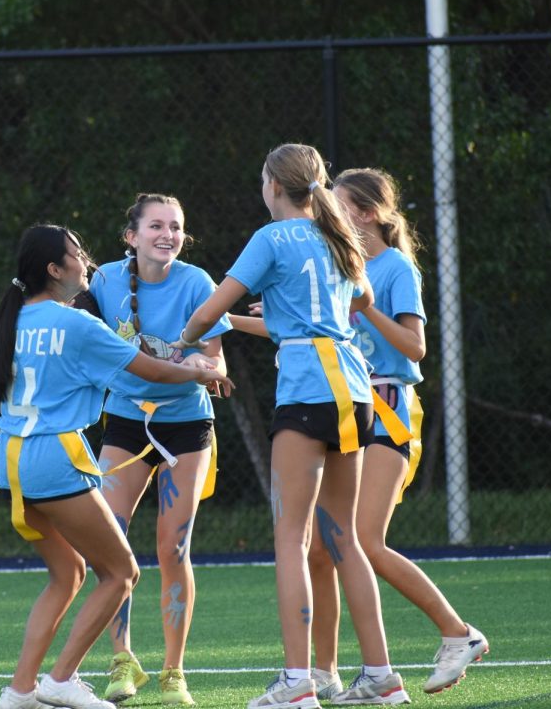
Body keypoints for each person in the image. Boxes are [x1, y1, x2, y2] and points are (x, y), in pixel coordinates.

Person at [0, 224, 232, 709]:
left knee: (67, 574)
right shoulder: (77, 324)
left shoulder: (13, 318)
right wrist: (197, 373)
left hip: (13, 460)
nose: (87, 260)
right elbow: (150, 369)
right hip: (55, 458)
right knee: (122, 571)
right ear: (55, 270)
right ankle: (61, 681)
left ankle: (19, 692)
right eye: (76, 254)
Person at [175, 144, 410, 708]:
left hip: (307, 391)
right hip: (355, 390)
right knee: (344, 538)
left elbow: (210, 311)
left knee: (292, 540)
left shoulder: (270, 237)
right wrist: (292, 321)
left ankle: (296, 683)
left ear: (273, 187)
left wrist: (185, 339)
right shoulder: (339, 235)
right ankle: (380, 676)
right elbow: (363, 301)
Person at [305, 168, 487, 698]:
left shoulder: (396, 268)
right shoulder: (345, 266)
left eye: (339, 206)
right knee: (319, 547)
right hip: (351, 412)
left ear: (365, 213)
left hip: (388, 411)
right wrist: (235, 321)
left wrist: (368, 309)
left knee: (363, 540)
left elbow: (415, 348)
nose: (328, 215)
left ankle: (458, 634)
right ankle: (325, 673)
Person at [85, 195, 231, 706]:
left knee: (173, 549)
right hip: (126, 421)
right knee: (111, 542)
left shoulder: (196, 283)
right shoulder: (101, 282)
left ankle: (174, 673)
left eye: (175, 227)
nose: (166, 234)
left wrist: (202, 369)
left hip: (186, 427)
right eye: (155, 226)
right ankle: (121, 661)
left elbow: (217, 364)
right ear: (132, 235)